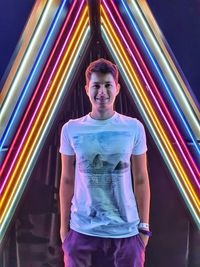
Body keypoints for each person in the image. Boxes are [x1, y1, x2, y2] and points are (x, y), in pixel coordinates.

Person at [59, 58, 151, 267]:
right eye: (96, 85)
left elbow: (141, 179)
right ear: (86, 89)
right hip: (82, 233)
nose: (102, 91)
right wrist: (64, 231)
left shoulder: (133, 127)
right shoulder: (71, 129)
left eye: (108, 85)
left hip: (126, 234)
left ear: (117, 88)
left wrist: (144, 228)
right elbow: (66, 179)